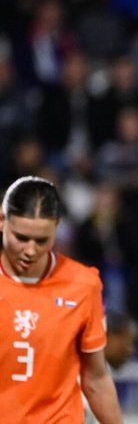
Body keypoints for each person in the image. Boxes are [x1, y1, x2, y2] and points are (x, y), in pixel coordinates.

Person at [0, 176, 123, 423]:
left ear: (57, 227)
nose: (30, 250)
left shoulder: (83, 285)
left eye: (42, 240)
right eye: (21, 238)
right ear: (2, 222)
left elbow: (96, 378)